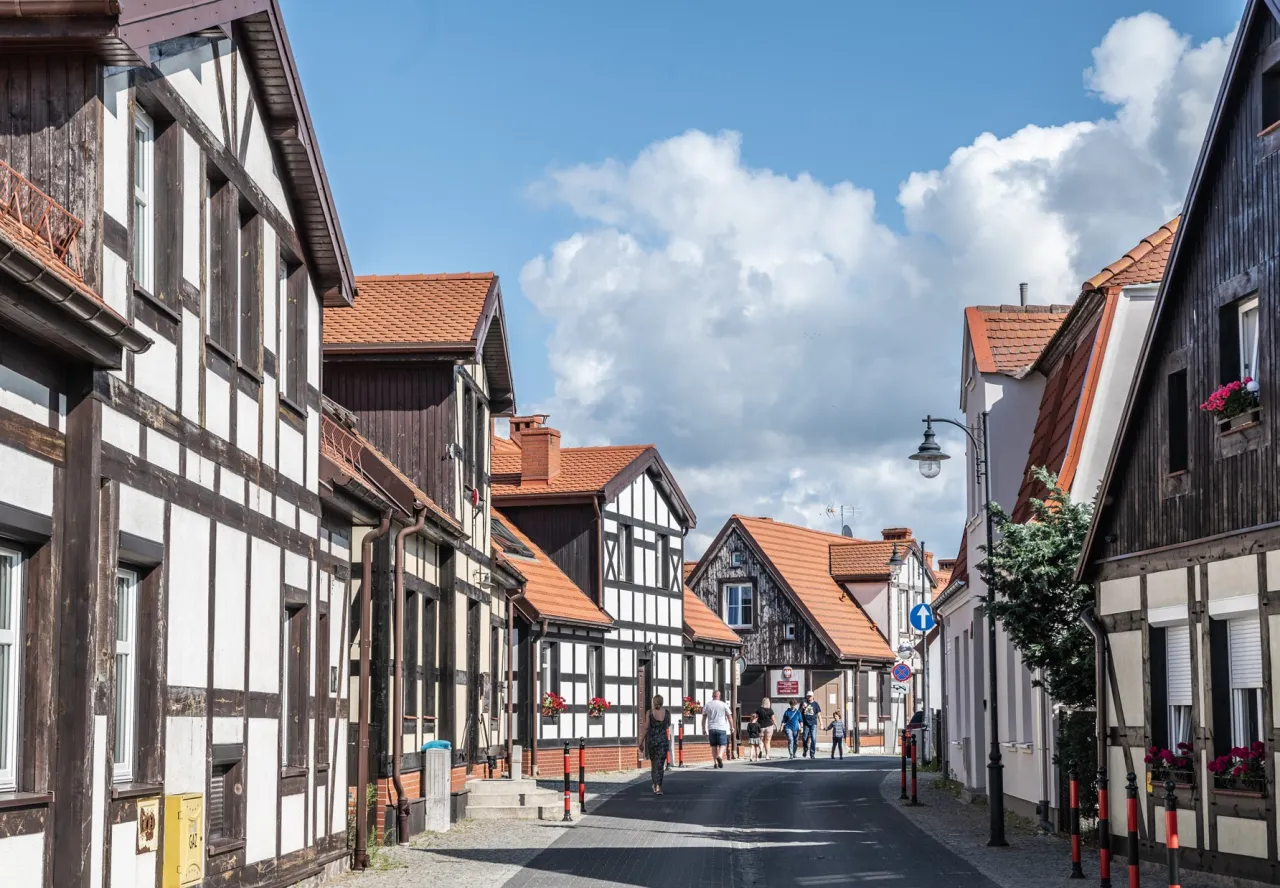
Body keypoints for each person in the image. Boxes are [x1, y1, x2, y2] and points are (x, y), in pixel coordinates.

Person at [641, 694, 671, 794]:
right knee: (661, 765)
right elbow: (668, 725)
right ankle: (658, 786)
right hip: (663, 741)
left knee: (654, 764)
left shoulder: (649, 713)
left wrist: (641, 742)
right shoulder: (667, 713)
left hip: (653, 741)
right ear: (662, 702)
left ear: (653, 702)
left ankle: (655, 785)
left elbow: (646, 728)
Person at [702, 689, 731, 768]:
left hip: (711, 728)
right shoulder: (723, 704)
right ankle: (720, 756)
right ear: (719, 696)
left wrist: (703, 729)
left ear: (712, 696)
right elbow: (729, 717)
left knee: (714, 746)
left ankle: (715, 763)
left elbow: (704, 718)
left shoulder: (707, 705)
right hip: (721, 728)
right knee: (723, 744)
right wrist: (732, 727)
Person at [801, 691, 822, 758]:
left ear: (813, 696)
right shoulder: (804, 703)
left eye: (810, 696)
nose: (809, 697)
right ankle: (805, 749)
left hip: (813, 723)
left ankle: (812, 754)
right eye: (808, 696)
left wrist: (821, 723)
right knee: (804, 738)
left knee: (813, 738)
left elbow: (819, 714)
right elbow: (799, 713)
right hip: (806, 724)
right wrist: (802, 708)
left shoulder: (815, 704)